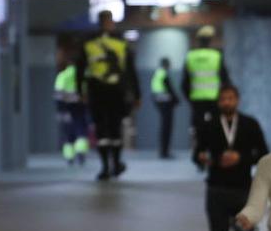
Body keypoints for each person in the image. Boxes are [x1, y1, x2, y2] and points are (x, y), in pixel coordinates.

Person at [194, 85, 268, 231]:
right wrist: (205, 159)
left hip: (243, 191)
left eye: (231, 98)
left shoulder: (249, 124)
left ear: (237, 100)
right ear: (219, 102)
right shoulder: (207, 126)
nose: (227, 102)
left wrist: (241, 158)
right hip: (216, 190)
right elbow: (197, 154)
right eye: (223, 99)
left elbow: (263, 154)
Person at [79, 10, 140, 181]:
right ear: (110, 22)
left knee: (103, 130)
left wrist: (80, 90)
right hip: (114, 91)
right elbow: (129, 69)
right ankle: (113, 164)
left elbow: (80, 68)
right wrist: (136, 94)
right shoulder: (120, 42)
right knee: (113, 129)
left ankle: (108, 166)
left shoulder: (89, 42)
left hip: (97, 90)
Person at [182, 25, 232, 171]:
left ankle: (199, 159)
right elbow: (225, 79)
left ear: (198, 40)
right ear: (210, 40)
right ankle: (216, 156)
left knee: (199, 130)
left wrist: (190, 98)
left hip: (197, 99)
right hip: (215, 99)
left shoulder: (190, 56)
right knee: (216, 127)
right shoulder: (216, 56)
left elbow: (185, 82)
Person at [53, 46, 89, 167]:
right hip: (80, 107)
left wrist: (60, 109)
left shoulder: (62, 76)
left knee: (68, 134)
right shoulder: (84, 76)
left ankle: (69, 157)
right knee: (81, 130)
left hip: (66, 108)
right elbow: (87, 93)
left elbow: (58, 95)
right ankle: (81, 152)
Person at [150, 57, 180, 159]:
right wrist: (176, 99)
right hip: (165, 102)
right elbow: (169, 88)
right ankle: (164, 152)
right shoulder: (163, 73)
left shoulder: (157, 73)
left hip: (159, 101)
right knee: (167, 127)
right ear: (166, 64)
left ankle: (163, 151)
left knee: (164, 127)